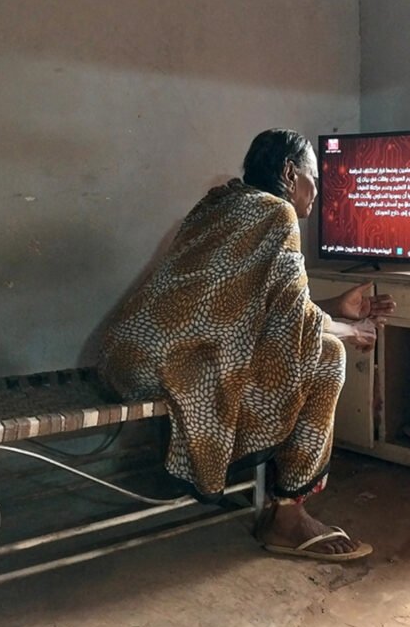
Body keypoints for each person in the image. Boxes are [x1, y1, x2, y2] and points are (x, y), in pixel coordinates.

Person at [97, 128, 395, 561]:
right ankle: (288, 518)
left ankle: (279, 505)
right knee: (328, 354)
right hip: (173, 366)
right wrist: (353, 331)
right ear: (290, 174)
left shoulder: (220, 203)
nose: (319, 190)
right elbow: (293, 321)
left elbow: (257, 311)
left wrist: (337, 307)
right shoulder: (277, 214)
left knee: (306, 344)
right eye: (315, 177)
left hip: (125, 358)